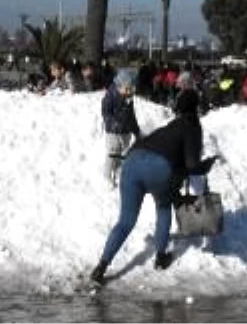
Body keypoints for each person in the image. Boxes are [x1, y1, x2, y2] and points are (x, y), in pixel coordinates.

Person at [88, 91, 216, 286]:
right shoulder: (192, 127)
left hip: (132, 162)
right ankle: (160, 257)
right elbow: (191, 164)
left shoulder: (170, 127)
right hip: (158, 168)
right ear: (196, 108)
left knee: (125, 222)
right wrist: (205, 165)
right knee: (163, 208)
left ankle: (101, 267)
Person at [101, 69, 141, 186]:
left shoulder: (128, 97)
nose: (129, 91)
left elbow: (131, 115)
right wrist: (113, 123)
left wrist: (136, 131)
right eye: (127, 89)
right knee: (113, 153)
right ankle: (107, 176)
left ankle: (120, 173)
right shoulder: (110, 96)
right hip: (113, 132)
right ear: (118, 85)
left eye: (131, 89)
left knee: (124, 154)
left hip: (126, 132)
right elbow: (106, 113)